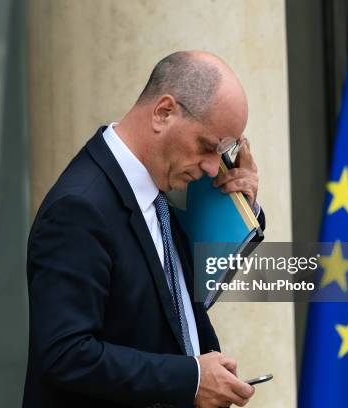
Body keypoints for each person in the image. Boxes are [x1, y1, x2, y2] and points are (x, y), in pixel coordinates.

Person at [22, 51, 266, 408]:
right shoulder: (79, 207)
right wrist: (192, 379)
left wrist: (241, 205)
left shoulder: (160, 191)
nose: (214, 168)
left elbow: (183, 293)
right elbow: (65, 353)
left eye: (223, 152)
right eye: (206, 147)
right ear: (163, 112)